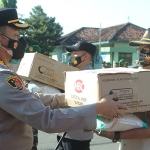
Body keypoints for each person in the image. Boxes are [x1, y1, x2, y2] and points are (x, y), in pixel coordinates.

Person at [0, 8, 127, 150]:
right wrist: (98, 108)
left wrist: (73, 98)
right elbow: (46, 119)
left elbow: (32, 98)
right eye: (16, 36)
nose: (19, 41)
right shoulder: (3, 77)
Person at [94, 28, 150, 150]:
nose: (141, 52)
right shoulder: (132, 76)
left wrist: (116, 135)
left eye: (146, 49)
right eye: (140, 49)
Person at [57, 41, 97, 150]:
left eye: (75, 54)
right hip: (65, 129)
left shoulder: (89, 76)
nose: (71, 56)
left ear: (85, 56)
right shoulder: (74, 73)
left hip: (77, 134)